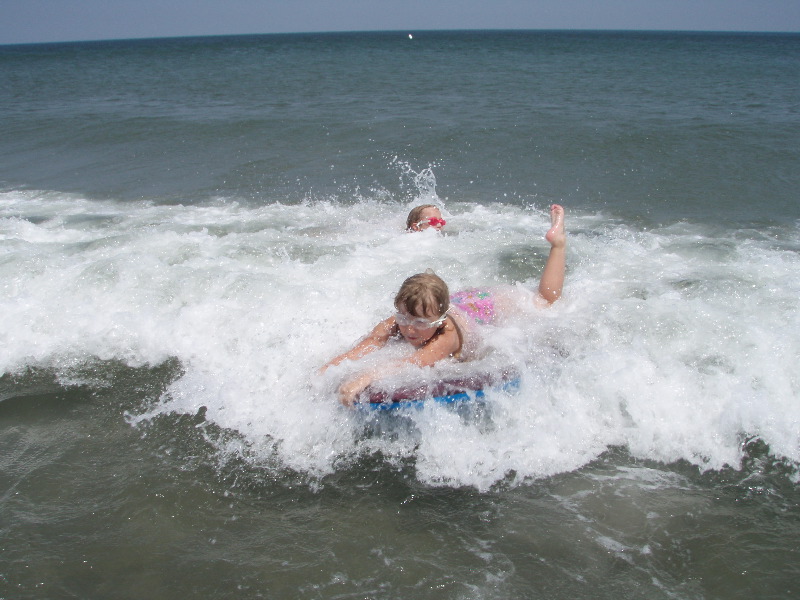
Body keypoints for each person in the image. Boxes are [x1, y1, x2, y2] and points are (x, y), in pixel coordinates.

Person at [322, 204, 566, 406]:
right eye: (404, 319)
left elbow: (413, 363)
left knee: (544, 301)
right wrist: (326, 371)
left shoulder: (445, 335)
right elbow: (368, 344)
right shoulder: (407, 316)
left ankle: (558, 243)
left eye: (420, 323)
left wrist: (365, 377)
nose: (409, 329)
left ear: (438, 322)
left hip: (484, 306)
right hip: (457, 302)